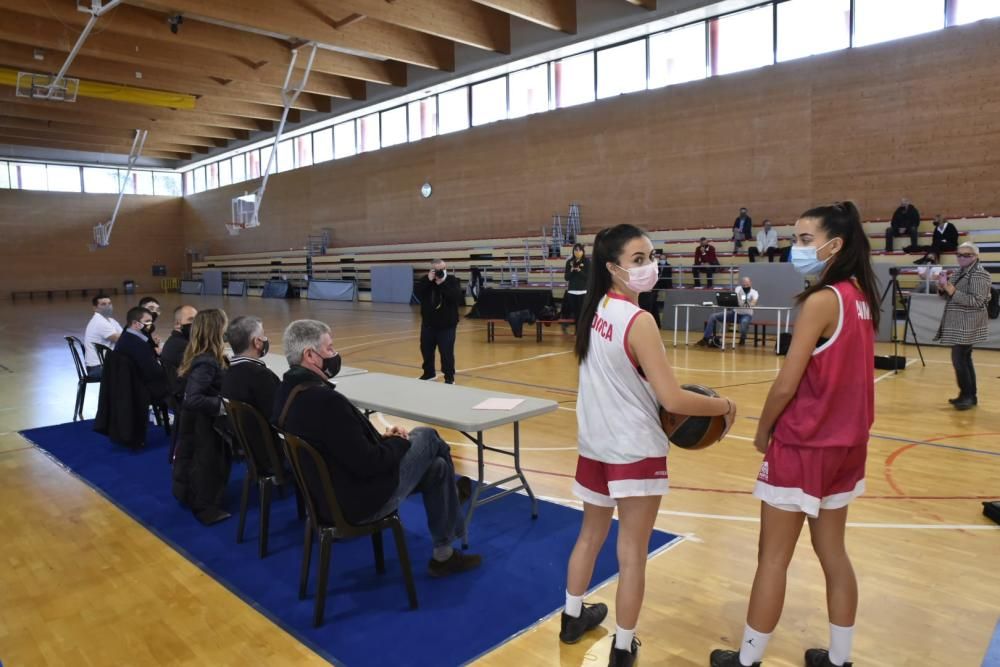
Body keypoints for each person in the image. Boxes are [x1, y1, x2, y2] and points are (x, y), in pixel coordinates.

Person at [710, 201, 880, 667]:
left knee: (772, 558)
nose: (796, 248)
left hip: (805, 443)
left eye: (805, 240)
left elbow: (788, 381)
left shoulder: (821, 300)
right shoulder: (861, 297)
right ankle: (840, 659)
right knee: (834, 554)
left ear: (835, 244)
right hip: (848, 446)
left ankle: (747, 660)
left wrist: (762, 431)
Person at [561, 225, 737, 667]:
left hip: (595, 444)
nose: (648, 265)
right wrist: (723, 405)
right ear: (612, 268)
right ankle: (622, 647)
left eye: (650, 256)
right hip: (633, 449)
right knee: (632, 553)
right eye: (638, 259)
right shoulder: (639, 321)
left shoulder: (597, 307)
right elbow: (673, 399)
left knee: (589, 536)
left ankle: (571, 617)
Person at [273, 319, 482, 577]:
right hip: (358, 502)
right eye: (329, 349)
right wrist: (397, 442)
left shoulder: (286, 392)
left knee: (437, 468)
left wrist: (382, 439)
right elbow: (370, 463)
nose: (334, 354)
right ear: (310, 356)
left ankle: (444, 554)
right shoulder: (326, 402)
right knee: (427, 436)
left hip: (322, 499)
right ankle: (456, 511)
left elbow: (341, 446)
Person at [172, 309, 232, 525]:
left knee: (195, 460)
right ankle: (205, 508)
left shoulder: (201, 355)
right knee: (207, 464)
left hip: (196, 421)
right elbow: (193, 397)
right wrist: (223, 406)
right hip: (203, 423)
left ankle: (191, 496)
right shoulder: (207, 362)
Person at [934, 242, 991, 411]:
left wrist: (950, 289)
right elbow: (949, 295)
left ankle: (968, 396)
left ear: (976, 256)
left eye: (967, 255)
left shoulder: (980, 274)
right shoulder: (960, 272)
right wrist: (942, 287)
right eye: (959, 254)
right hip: (959, 323)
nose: (961, 258)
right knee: (964, 359)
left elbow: (977, 301)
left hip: (969, 323)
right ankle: (968, 395)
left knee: (959, 359)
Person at [222, 315, 279, 421]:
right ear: (257, 342)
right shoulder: (261, 375)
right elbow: (278, 416)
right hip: (262, 436)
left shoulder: (227, 370)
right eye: (263, 335)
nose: (265, 339)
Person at [414, 259, 462, 384]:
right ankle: (429, 373)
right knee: (426, 350)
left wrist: (442, 283)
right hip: (428, 325)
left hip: (447, 326)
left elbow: (456, 297)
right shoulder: (426, 280)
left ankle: (449, 378)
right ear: (431, 270)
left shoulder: (452, 280)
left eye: (441, 269)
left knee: (446, 353)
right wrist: (427, 280)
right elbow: (416, 293)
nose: (439, 272)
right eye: (436, 270)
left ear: (445, 268)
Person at [114, 306, 168, 402]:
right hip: (142, 388)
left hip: (130, 385)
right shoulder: (137, 344)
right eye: (147, 321)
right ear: (135, 323)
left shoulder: (127, 336)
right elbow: (153, 371)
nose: (150, 324)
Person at [699, 277, 759, 347]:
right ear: (742, 284)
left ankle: (743, 338)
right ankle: (705, 339)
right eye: (744, 285)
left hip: (746, 315)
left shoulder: (754, 292)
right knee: (713, 316)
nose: (745, 286)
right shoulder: (738, 288)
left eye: (747, 285)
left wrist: (749, 303)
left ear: (750, 283)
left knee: (744, 322)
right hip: (734, 313)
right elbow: (735, 299)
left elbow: (754, 302)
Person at [83, 294, 122, 379]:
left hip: (105, 364)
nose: (108, 306)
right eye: (103, 304)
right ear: (95, 308)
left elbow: (125, 336)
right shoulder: (99, 322)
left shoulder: (111, 321)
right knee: (134, 371)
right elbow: (121, 340)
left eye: (109, 303)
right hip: (97, 368)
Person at [562, 243, 591, 331]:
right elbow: (566, 278)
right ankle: (577, 330)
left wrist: (579, 271)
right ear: (573, 251)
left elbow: (588, 277)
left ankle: (582, 331)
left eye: (579, 250)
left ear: (583, 251)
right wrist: (571, 271)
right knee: (575, 313)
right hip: (572, 292)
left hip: (583, 292)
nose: (577, 252)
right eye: (576, 250)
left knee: (582, 313)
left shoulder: (587, 261)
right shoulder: (569, 262)